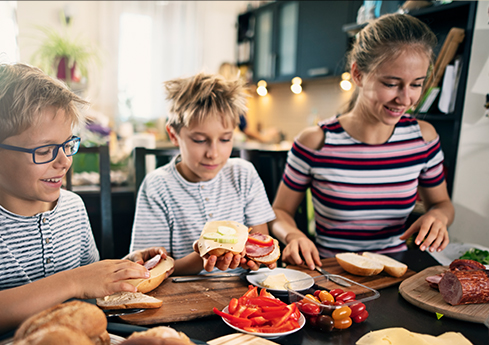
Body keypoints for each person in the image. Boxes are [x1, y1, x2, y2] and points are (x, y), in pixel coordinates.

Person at [0, 63, 165, 345]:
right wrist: (72, 280)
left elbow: (88, 290)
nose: (63, 162)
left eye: (67, 145)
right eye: (45, 150)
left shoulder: (73, 207)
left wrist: (119, 271)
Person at [270, 13, 455, 270]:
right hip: (331, 273)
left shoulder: (423, 138)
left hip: (397, 271)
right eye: (391, 83)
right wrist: (294, 236)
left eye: (416, 84)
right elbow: (279, 212)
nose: (406, 99)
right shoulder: (316, 142)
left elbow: (442, 204)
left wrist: (438, 216)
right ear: (358, 74)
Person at [130, 72, 276, 275]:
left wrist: (251, 259)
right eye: (199, 140)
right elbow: (151, 269)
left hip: (241, 294)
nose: (213, 153)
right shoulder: (157, 186)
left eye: (225, 139)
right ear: (174, 135)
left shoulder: (244, 174)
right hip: (182, 296)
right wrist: (204, 257)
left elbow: (261, 245)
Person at [218, 62, 281, 144]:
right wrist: (263, 138)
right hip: (231, 145)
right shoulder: (237, 98)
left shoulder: (214, 98)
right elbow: (246, 129)